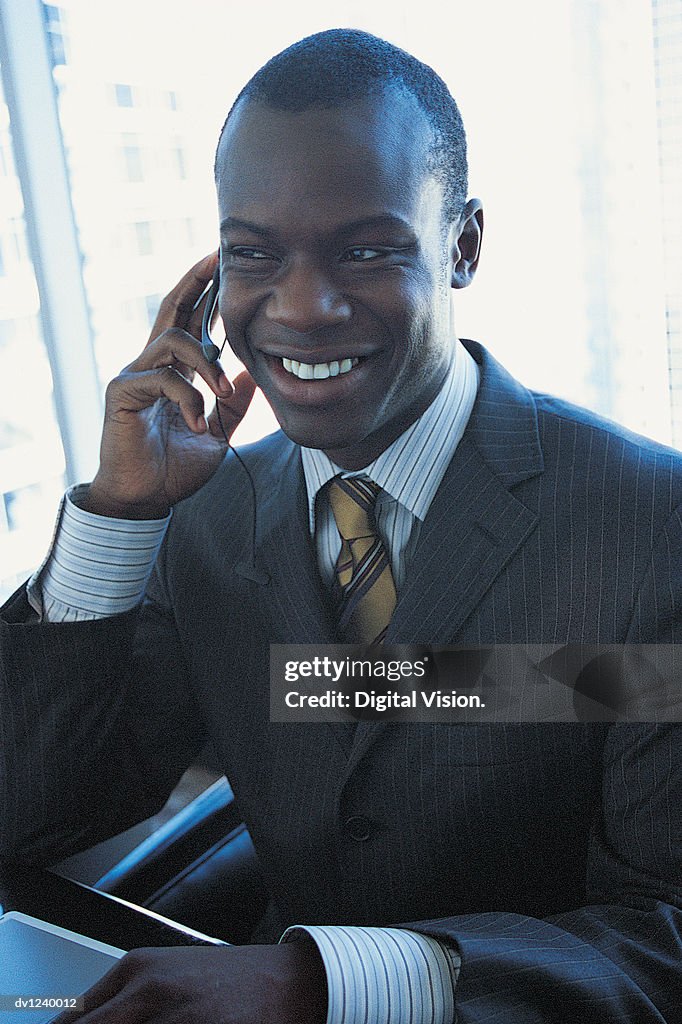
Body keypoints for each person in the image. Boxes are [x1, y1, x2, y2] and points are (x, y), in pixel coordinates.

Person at [1, 28, 681, 1024]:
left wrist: (322, 981)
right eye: (254, 254)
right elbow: (31, 809)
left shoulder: (647, 527)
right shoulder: (208, 514)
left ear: (462, 245)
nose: (303, 306)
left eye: (364, 250)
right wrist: (115, 516)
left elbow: (662, 933)